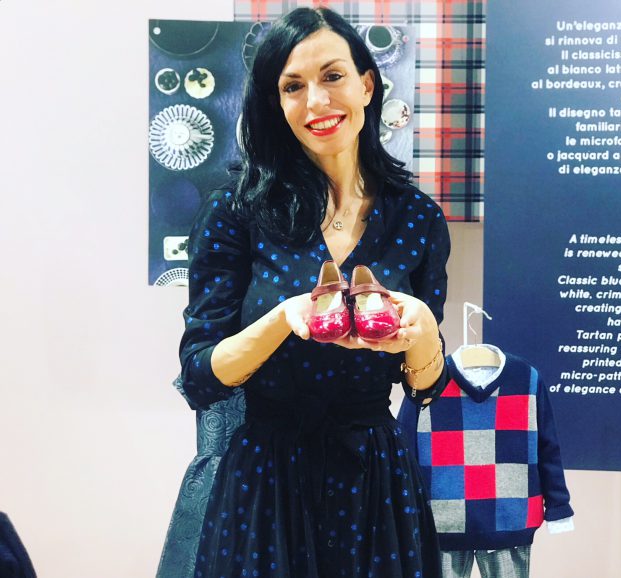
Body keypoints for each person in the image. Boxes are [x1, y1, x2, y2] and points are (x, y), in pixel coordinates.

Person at [175, 7, 451, 577]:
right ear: (276, 104)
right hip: (265, 482)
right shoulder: (237, 211)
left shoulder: (418, 218)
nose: (316, 102)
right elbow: (200, 376)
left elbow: (424, 387)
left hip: (376, 483)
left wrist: (423, 330)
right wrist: (283, 319)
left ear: (367, 84)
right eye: (293, 86)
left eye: (332, 76)